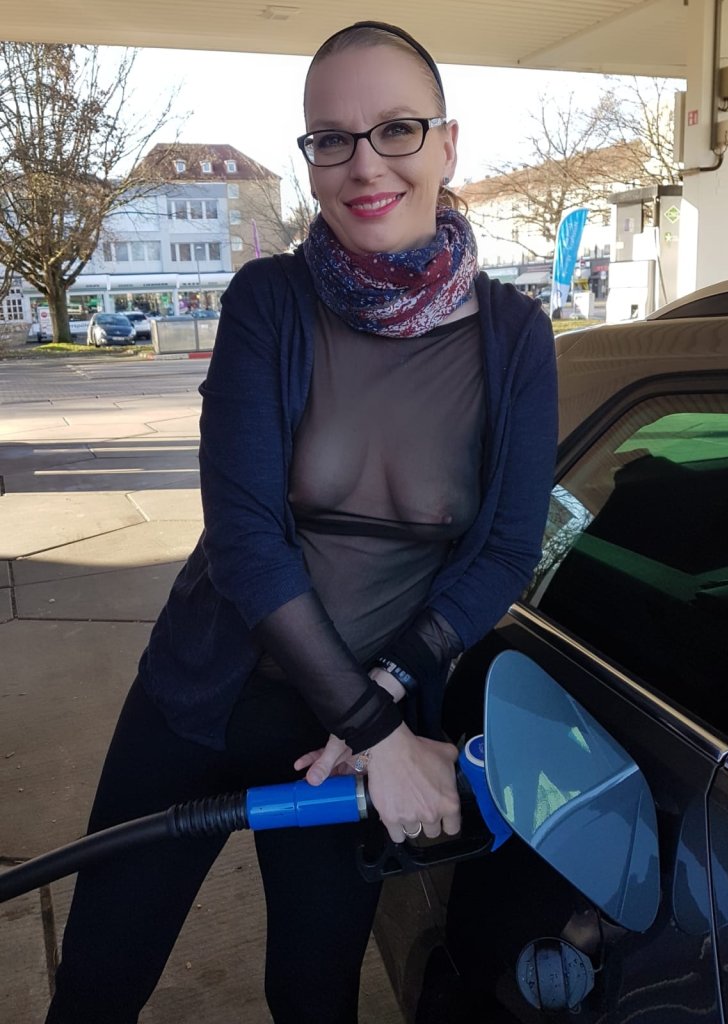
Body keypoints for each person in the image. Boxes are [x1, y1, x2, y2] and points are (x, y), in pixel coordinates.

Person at [45, 20, 557, 1024]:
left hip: (354, 729)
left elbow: (504, 550)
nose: (365, 163)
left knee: (315, 995)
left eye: (397, 129)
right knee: (99, 981)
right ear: (311, 161)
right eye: (332, 138)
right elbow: (246, 544)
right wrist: (381, 733)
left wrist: (383, 701)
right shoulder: (267, 302)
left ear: (448, 145)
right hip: (199, 702)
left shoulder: (514, 339)